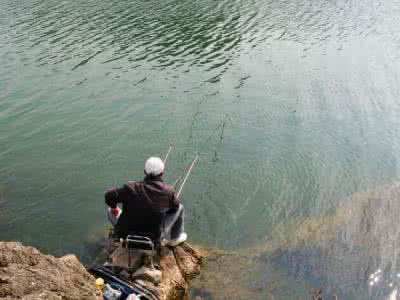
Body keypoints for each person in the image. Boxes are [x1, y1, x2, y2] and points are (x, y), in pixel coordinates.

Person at [105, 157, 187, 247]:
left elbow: (109, 195)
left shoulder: (129, 187)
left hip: (126, 234)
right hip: (154, 239)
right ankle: (174, 238)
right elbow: (175, 208)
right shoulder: (168, 191)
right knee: (180, 207)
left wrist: (114, 208)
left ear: (144, 171)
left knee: (110, 210)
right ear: (162, 173)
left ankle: (119, 235)